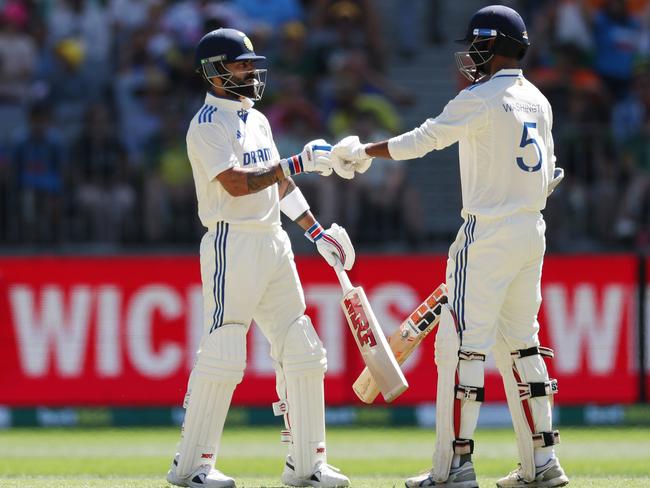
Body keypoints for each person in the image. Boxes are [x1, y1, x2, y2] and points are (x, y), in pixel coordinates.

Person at [332, 6, 568, 488]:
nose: (470, 53)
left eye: (476, 44)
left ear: (492, 45)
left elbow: (424, 140)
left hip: (485, 235)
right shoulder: (539, 100)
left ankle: (454, 467)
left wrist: (363, 152)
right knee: (523, 345)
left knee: (462, 349)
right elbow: (549, 175)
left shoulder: (479, 97)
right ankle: (542, 462)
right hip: (531, 233)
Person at [166, 28, 352, 488]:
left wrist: (315, 231)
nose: (250, 71)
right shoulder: (207, 124)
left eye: (251, 63)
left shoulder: (258, 119)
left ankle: (307, 466)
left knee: (303, 348)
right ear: (214, 71)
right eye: (240, 64)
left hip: (273, 241)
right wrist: (298, 161)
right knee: (227, 348)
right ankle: (191, 467)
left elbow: (278, 185)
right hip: (234, 240)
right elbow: (235, 182)